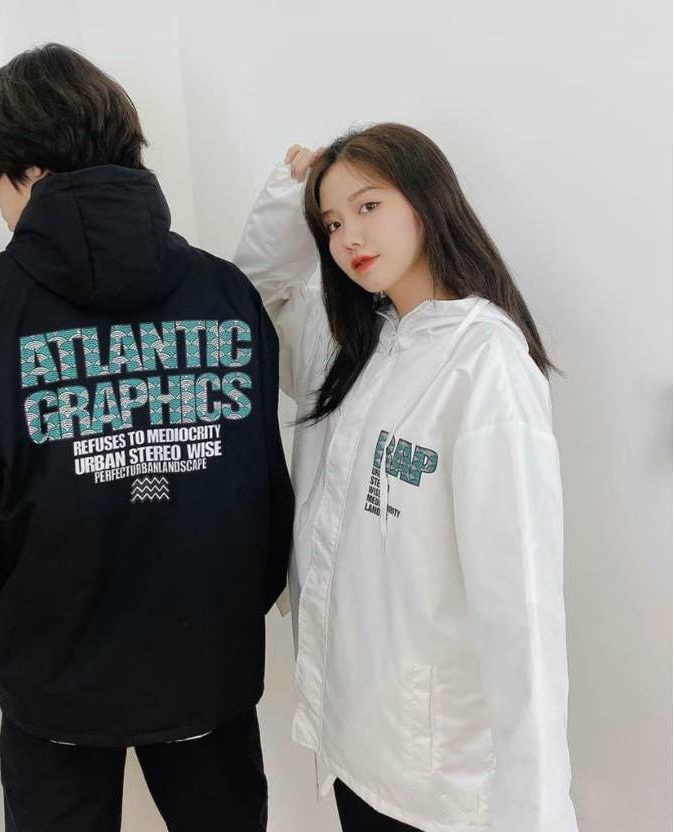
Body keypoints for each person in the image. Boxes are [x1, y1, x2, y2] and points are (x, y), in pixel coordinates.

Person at [0, 43, 293, 832]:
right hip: (207, 665)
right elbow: (260, 484)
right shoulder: (224, 291)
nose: (0, 210)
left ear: (28, 171)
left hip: (52, 679)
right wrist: (230, 606)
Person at [233, 124, 578, 831]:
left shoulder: (483, 364)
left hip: (439, 775)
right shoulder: (346, 340)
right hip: (349, 745)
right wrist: (288, 201)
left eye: (368, 206)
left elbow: (521, 606)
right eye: (331, 223)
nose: (349, 238)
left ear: (426, 199)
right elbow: (246, 309)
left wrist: (537, 811)